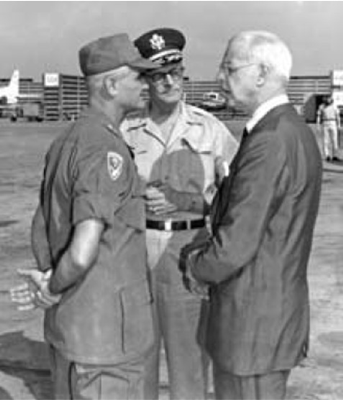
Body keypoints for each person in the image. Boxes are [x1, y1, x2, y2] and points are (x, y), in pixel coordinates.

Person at [10, 33, 159, 400]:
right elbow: (81, 252)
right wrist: (52, 288)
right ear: (110, 84)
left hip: (72, 332)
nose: (147, 84)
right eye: (138, 77)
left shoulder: (69, 140)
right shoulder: (104, 149)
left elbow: (41, 228)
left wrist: (50, 279)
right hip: (107, 343)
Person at [180, 30, 323, 400]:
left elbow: (235, 245)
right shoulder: (289, 129)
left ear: (261, 74)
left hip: (252, 328)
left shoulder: (271, 139)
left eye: (229, 68)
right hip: (266, 322)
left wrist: (196, 267)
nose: (219, 78)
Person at [121, 28, 238, 400]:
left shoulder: (211, 129)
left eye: (176, 72)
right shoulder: (126, 131)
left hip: (188, 253)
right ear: (146, 81)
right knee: (137, 360)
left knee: (189, 364)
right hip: (135, 254)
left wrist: (190, 202)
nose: (170, 82)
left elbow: (237, 200)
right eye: (158, 76)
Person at [316, 95, 341, 161]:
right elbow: (319, 116)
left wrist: (339, 125)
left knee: (334, 140)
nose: (328, 100)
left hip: (333, 122)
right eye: (326, 99)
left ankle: (335, 155)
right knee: (325, 140)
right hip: (325, 122)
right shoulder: (321, 106)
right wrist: (318, 124)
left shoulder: (334, 106)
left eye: (329, 99)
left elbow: (337, 116)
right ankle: (327, 155)